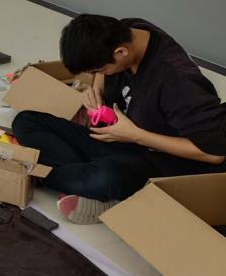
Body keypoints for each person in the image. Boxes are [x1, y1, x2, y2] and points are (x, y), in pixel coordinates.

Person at [13, 14, 226, 224]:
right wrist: (96, 90)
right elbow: (100, 74)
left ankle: (38, 174)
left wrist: (136, 136)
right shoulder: (129, 30)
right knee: (26, 121)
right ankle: (83, 182)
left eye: (101, 70)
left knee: (106, 178)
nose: (101, 74)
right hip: (121, 138)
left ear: (121, 52)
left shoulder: (178, 82)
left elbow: (213, 154)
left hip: (161, 159)